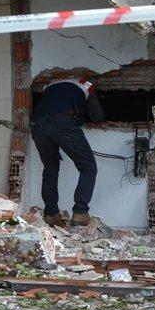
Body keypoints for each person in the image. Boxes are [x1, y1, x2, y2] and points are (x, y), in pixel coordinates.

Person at [31, 76, 104, 228]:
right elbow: (97, 116)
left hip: (37, 126)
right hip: (63, 123)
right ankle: (80, 213)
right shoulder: (86, 85)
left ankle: (51, 215)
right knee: (88, 167)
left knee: (50, 169)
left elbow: (45, 107)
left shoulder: (49, 85)